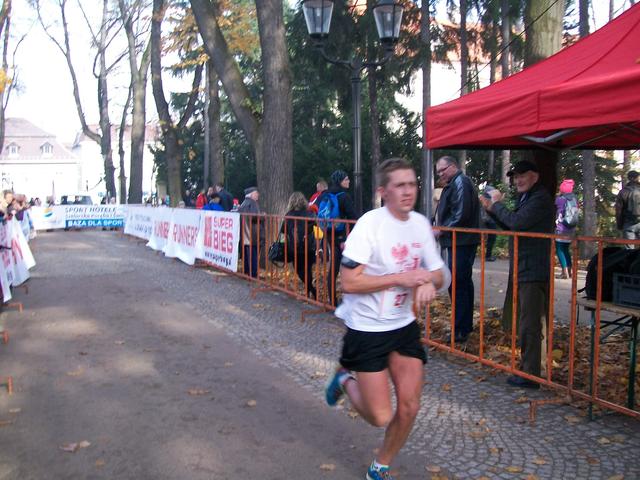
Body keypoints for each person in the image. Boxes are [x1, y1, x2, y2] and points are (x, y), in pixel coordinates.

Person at [325, 158, 450, 480]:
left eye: (412, 184)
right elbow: (348, 282)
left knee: (409, 407)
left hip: (403, 326)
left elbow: (441, 273)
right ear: (383, 191)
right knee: (380, 416)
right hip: (366, 328)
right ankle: (344, 379)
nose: (408, 191)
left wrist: (428, 280)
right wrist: (400, 278)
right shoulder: (370, 225)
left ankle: (380, 466)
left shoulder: (420, 224)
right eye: (400, 185)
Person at [479, 159, 554, 389]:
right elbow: (511, 225)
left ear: (535, 176)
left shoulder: (540, 198)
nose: (518, 180)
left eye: (523, 175)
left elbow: (517, 222)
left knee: (530, 324)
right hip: (526, 267)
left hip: (533, 268)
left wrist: (497, 205)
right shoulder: (528, 197)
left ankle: (531, 375)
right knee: (527, 322)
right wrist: (491, 209)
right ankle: (530, 370)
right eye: (516, 176)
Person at [434, 156, 480, 343]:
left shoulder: (460, 182)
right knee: (461, 283)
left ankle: (460, 330)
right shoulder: (455, 183)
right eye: (438, 172)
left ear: (453, 166)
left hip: (461, 241)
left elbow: (461, 214)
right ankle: (463, 326)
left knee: (458, 283)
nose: (440, 174)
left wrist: (441, 230)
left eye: (443, 170)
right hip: (458, 240)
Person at [317, 169, 356, 305]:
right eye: (346, 179)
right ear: (340, 181)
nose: (348, 181)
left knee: (333, 267)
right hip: (342, 236)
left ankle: (332, 300)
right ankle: (349, 300)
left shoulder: (325, 194)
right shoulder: (344, 196)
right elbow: (353, 217)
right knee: (349, 266)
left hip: (328, 234)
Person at [283, 191, 316, 299]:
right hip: (309, 245)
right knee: (308, 269)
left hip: (295, 247)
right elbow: (316, 225)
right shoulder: (310, 214)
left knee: (299, 269)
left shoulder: (288, 215)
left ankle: (310, 290)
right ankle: (310, 291)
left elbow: (283, 230)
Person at [555, 179, 578, 279]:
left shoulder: (560, 199)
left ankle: (564, 272)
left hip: (561, 228)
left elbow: (553, 206)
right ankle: (569, 270)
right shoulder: (574, 199)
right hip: (571, 228)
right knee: (566, 249)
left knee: (559, 249)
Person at [237, 187, 262, 278]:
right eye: (256, 193)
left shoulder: (243, 203)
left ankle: (247, 272)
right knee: (253, 255)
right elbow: (254, 217)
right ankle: (253, 274)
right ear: (251, 194)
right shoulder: (252, 203)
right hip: (253, 233)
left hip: (245, 234)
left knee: (247, 255)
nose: (258, 194)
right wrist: (263, 216)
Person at [615, 170, 640, 248]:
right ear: (637, 178)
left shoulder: (623, 192)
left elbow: (619, 210)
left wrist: (619, 225)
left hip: (629, 223)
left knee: (629, 250)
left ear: (629, 178)